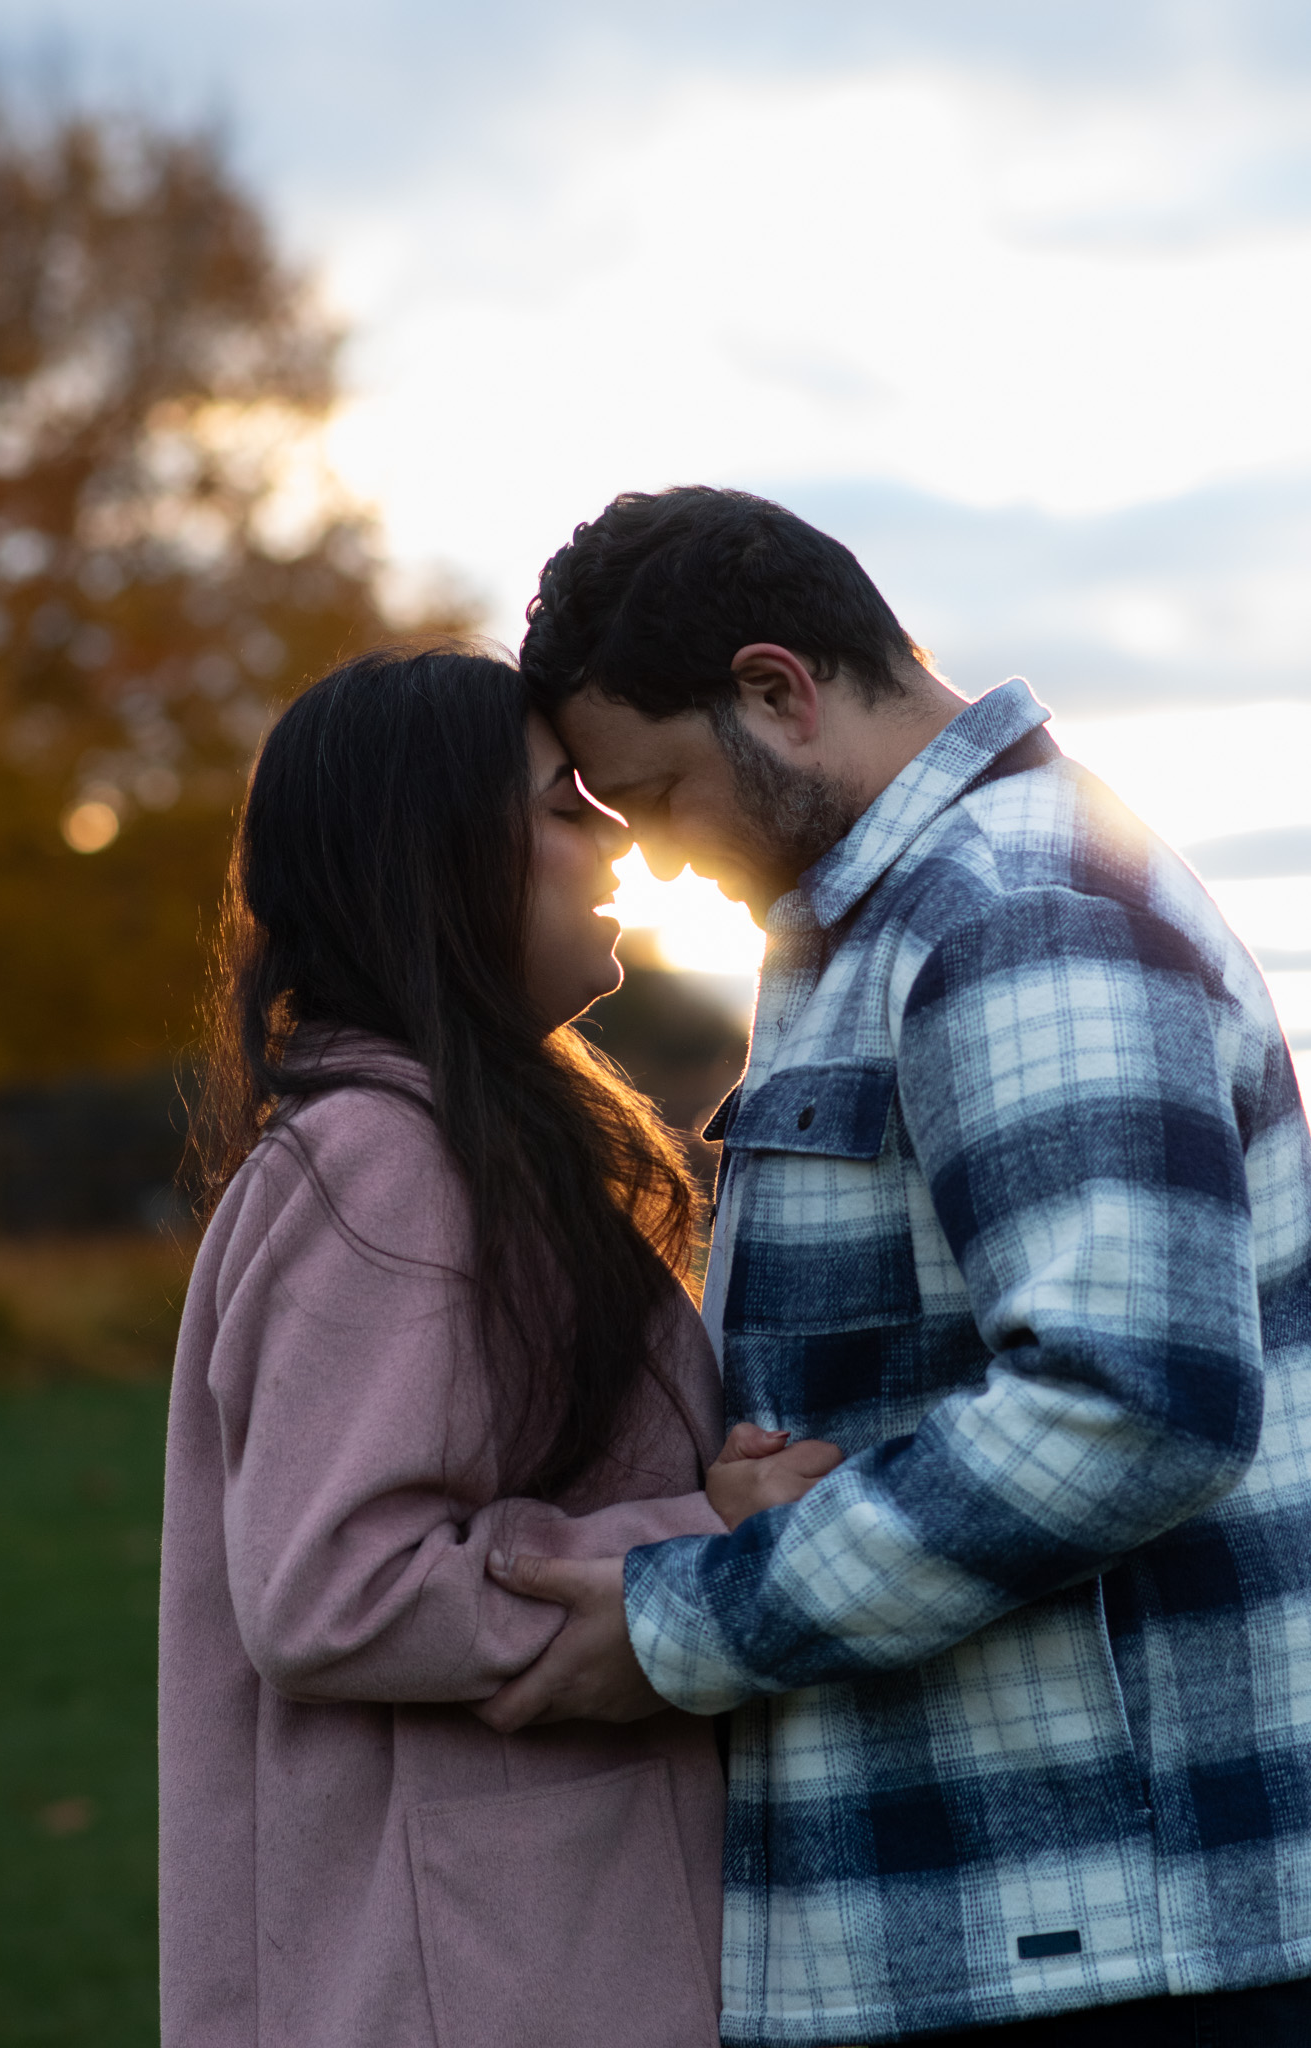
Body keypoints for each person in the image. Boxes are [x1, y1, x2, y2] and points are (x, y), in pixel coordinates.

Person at [476, 487, 1311, 2045]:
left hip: (1110, 1940)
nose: (646, 862)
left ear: (776, 693)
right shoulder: (885, 925)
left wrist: (685, 1625)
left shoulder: (1017, 913)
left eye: (651, 795)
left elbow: (1131, 1405)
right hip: (1014, 1919)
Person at [159, 644, 740, 2048]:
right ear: (436, 857)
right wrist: (703, 1540)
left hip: (509, 1954)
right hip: (474, 1978)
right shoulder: (384, 1164)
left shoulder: (449, 1146)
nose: (615, 837)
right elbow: (335, 1589)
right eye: (562, 804)